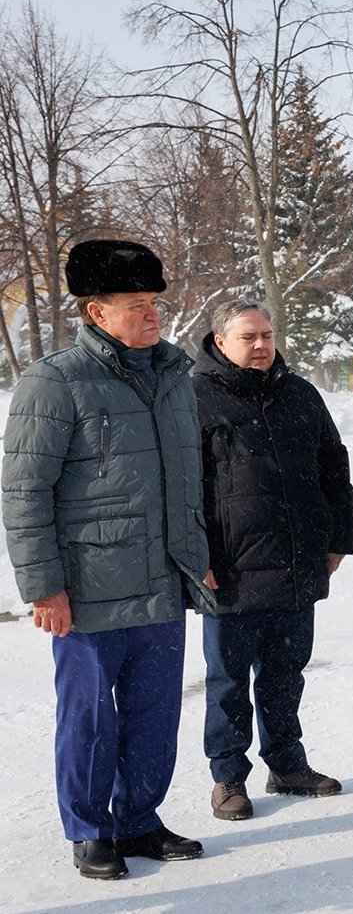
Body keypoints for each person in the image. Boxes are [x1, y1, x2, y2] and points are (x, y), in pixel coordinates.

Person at [2, 239, 215, 879]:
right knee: (90, 717)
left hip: (162, 580)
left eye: (154, 302)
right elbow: (24, 492)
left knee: (156, 713)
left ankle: (140, 820)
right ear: (95, 312)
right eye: (135, 305)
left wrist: (196, 557)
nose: (153, 315)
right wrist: (44, 587)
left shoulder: (175, 378)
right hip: (88, 588)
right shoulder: (55, 381)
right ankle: (91, 828)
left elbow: (187, 482)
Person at [192, 297, 353, 821]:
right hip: (229, 570)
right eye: (249, 337)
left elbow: (335, 467)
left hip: (295, 562)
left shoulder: (300, 393)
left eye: (267, 335)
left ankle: (286, 764)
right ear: (221, 342)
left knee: (286, 672)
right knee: (227, 682)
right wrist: (197, 558)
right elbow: (183, 488)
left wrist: (338, 540)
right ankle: (227, 778)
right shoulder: (194, 398)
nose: (262, 345)